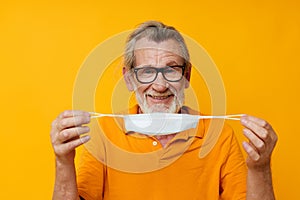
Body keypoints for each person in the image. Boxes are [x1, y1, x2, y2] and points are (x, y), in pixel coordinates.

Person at [50, 21, 278, 200]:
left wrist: (260, 168)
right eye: (147, 71)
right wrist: (63, 162)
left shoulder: (219, 136)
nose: (160, 85)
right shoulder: (104, 134)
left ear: (186, 76)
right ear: (129, 79)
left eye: (171, 70)